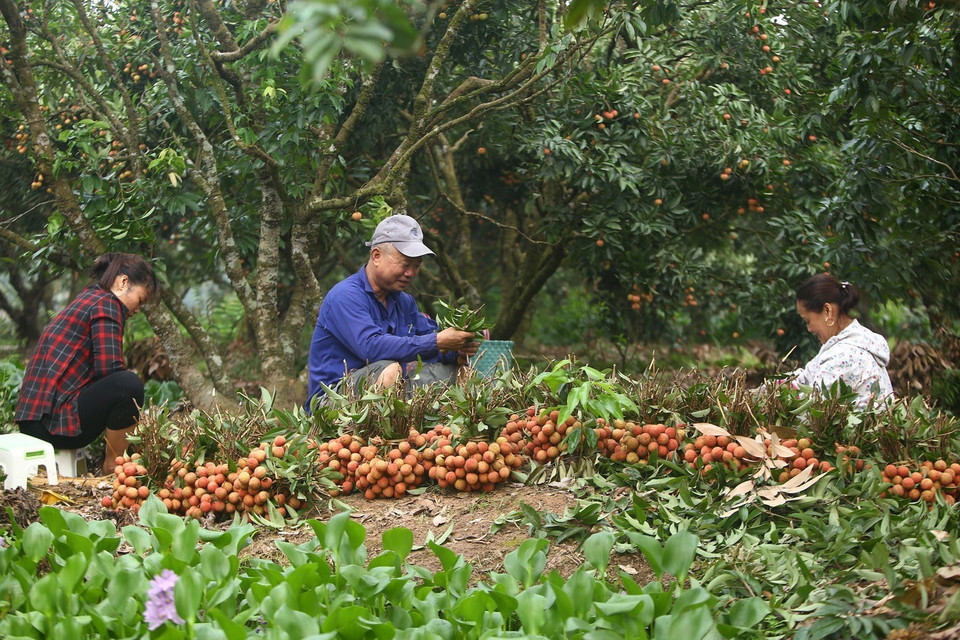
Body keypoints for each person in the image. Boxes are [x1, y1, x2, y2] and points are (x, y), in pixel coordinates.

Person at [306, 214, 478, 406]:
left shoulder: (404, 302)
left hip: (391, 389)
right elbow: (372, 348)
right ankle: (376, 433)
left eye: (416, 266)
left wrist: (456, 350)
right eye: (405, 264)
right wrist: (437, 341)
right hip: (333, 399)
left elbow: (429, 344)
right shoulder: (345, 296)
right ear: (376, 256)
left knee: (459, 374)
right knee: (389, 370)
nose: (411, 273)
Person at [16, 253, 158, 474]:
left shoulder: (89, 298)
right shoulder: (108, 304)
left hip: (33, 422)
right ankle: (114, 466)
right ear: (123, 282)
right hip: (52, 425)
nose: (137, 310)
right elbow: (109, 371)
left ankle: (115, 459)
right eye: (140, 300)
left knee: (124, 384)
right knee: (128, 385)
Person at [791, 273, 893, 408]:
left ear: (827, 311)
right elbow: (807, 375)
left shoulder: (843, 355)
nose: (809, 329)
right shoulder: (851, 342)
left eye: (807, 320)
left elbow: (812, 410)